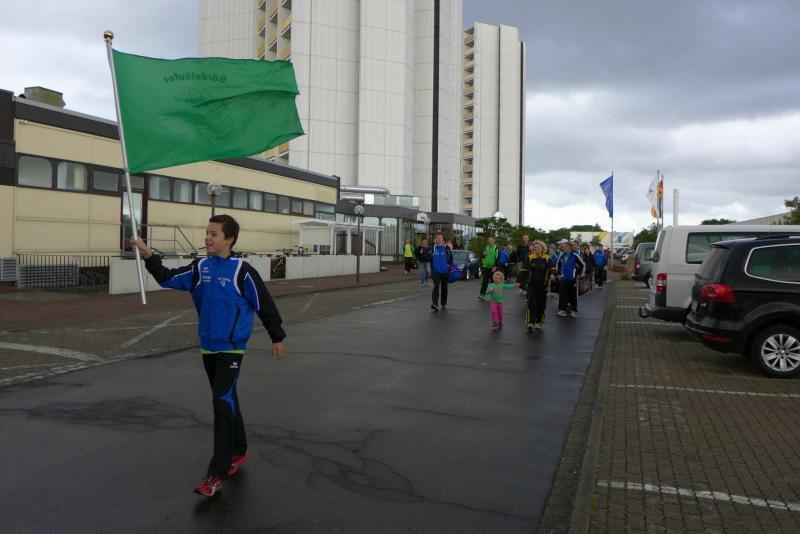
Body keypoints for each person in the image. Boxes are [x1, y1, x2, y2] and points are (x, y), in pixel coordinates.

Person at [132, 214, 285, 498]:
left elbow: (264, 304)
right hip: (208, 346)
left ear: (230, 239)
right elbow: (166, 277)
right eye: (207, 232)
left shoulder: (242, 271)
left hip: (231, 348)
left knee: (221, 403)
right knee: (227, 398)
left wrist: (277, 336)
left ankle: (217, 472)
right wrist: (148, 254)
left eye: (214, 234)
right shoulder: (200, 267)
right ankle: (239, 450)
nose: (207, 238)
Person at [520, 240, 555, 331]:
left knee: (541, 305)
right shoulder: (530, 257)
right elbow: (523, 269)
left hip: (543, 286)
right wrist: (519, 281)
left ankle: (539, 322)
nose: (536, 249)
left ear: (542, 248)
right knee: (531, 304)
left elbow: (552, 267)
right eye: (535, 248)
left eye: (538, 248)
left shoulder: (547, 258)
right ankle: (530, 323)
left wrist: (552, 274)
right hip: (531, 285)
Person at [556, 239, 585, 317]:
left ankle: (573, 310)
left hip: (573, 279)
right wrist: (558, 274)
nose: (562, 248)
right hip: (563, 278)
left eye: (564, 247)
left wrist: (580, 274)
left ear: (569, 247)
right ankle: (562, 310)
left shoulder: (575, 255)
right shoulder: (562, 255)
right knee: (562, 295)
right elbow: (558, 264)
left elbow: (583, 265)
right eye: (562, 247)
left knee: (573, 295)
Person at [430, 233, 454, 311]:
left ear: (443, 239)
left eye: (440, 238)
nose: (439, 239)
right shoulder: (433, 248)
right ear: (435, 239)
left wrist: (449, 266)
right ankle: (435, 304)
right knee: (436, 286)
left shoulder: (446, 248)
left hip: (445, 271)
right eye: (437, 238)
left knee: (444, 288)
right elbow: (427, 256)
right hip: (435, 271)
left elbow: (451, 257)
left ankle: (443, 303)